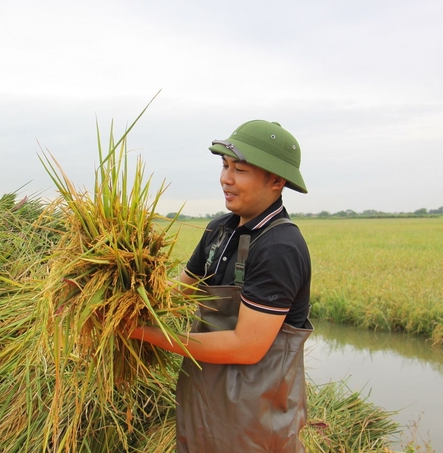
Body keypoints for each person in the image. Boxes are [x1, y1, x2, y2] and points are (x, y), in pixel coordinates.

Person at [130, 119, 313, 453]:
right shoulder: (219, 231)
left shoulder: (280, 246)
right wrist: (123, 299)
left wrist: (141, 332)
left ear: (276, 180)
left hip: (256, 423)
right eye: (225, 166)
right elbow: (178, 293)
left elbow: (247, 346)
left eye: (239, 170)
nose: (225, 179)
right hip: (203, 405)